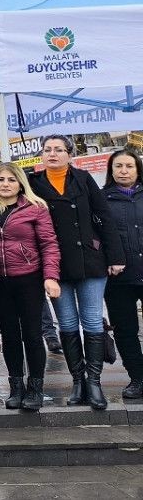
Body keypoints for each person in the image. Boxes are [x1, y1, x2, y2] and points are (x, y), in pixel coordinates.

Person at [28, 135, 125, 410]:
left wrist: (116, 256)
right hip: (55, 265)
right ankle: (78, 381)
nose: (53, 154)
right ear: (41, 155)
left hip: (91, 261)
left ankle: (94, 382)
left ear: (69, 154)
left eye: (59, 149)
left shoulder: (83, 179)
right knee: (67, 324)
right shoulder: (33, 183)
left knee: (93, 321)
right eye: (47, 150)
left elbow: (104, 217)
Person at [0, 163, 61, 412]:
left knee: (32, 334)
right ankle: (15, 387)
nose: (5, 184)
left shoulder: (35, 208)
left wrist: (50, 276)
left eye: (11, 180)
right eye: (0, 179)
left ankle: (35, 388)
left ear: (20, 183)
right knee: (10, 335)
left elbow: (49, 243)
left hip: (29, 278)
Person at [103, 150, 143, 400]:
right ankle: (138, 378)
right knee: (126, 331)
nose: (124, 170)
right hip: (119, 279)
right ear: (112, 169)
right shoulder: (101, 198)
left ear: (138, 169)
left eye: (129, 166)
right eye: (119, 166)